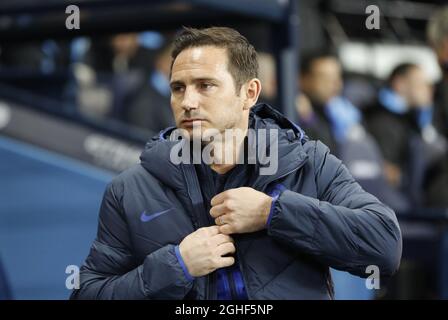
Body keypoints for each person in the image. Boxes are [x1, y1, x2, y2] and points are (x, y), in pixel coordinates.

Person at [70, 27, 402, 300]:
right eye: (178, 88)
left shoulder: (308, 162)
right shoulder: (130, 188)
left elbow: (384, 245)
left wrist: (274, 213)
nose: (187, 102)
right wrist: (176, 266)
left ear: (250, 93)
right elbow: (87, 293)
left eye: (205, 86)